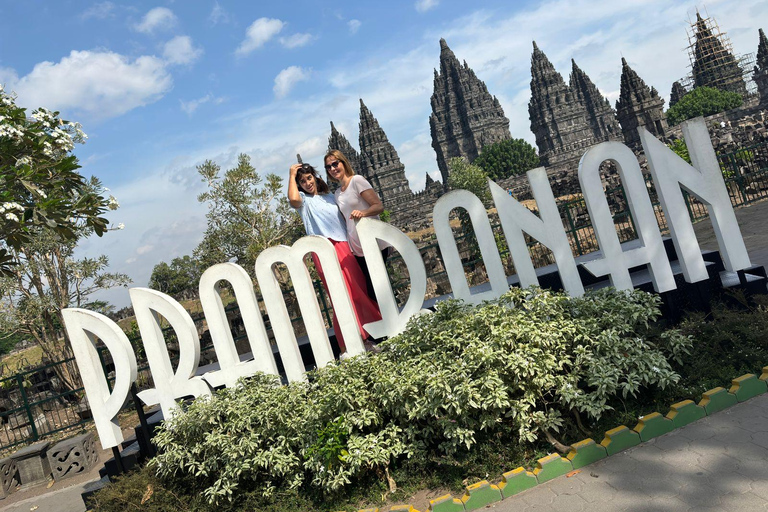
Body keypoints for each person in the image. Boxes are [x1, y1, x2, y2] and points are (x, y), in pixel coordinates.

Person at [287, 162, 381, 357]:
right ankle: (349, 342)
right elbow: (293, 199)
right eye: (302, 181)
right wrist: (291, 174)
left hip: (344, 246)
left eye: (309, 178)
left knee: (358, 290)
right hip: (323, 251)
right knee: (339, 295)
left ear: (315, 177)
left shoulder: (330, 197)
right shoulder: (304, 202)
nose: (307, 183)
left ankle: (373, 334)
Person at [324, 149, 391, 302]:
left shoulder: (357, 180)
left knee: (377, 287)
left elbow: (378, 206)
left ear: (343, 163)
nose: (333, 169)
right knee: (370, 289)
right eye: (329, 167)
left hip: (373, 241)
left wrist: (363, 213)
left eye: (335, 164)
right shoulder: (337, 193)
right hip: (357, 248)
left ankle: (395, 321)